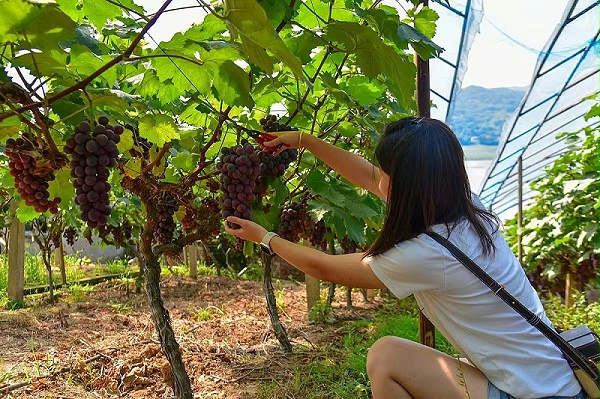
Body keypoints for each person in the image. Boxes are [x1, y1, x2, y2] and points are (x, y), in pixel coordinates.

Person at [224, 117, 585, 399]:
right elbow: (367, 175)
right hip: (552, 379)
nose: (376, 177)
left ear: (403, 185)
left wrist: (265, 236)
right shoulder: (463, 208)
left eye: (385, 174)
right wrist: (304, 140)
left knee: (386, 356)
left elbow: (324, 267)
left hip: (535, 394)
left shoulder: (428, 255)